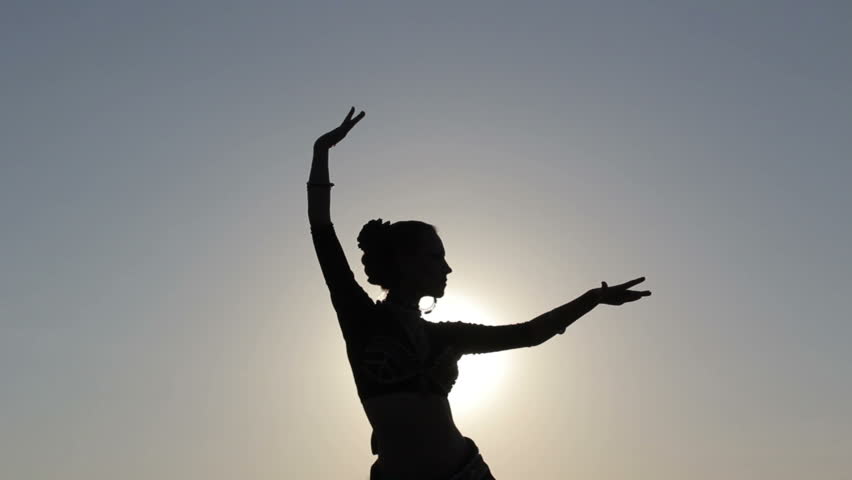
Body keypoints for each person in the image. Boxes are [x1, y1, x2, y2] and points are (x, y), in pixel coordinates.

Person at [308, 107, 652, 479]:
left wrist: (593, 299)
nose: (447, 268)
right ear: (405, 261)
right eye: (436, 256)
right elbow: (322, 230)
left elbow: (528, 334)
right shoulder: (361, 318)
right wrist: (321, 152)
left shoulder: (444, 336)